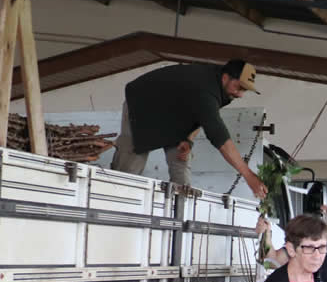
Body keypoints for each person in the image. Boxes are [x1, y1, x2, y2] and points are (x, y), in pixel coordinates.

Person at [111, 60, 268, 198]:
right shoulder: (206, 88)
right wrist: (248, 175)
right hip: (143, 104)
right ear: (226, 77)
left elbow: (201, 116)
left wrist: (188, 139)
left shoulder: (221, 88)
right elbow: (219, 136)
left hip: (172, 113)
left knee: (182, 159)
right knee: (131, 166)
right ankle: (116, 199)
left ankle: (177, 211)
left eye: (244, 90)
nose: (240, 94)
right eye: (238, 87)